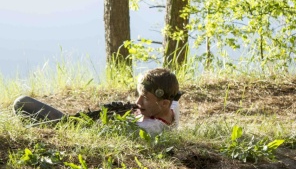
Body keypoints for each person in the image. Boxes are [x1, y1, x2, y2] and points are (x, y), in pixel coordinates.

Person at [13, 68, 182, 136]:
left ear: (164, 103)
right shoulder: (171, 108)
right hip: (80, 126)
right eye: (139, 95)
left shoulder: (148, 128)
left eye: (145, 98)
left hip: (74, 129)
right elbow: (175, 99)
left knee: (22, 103)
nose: (138, 101)